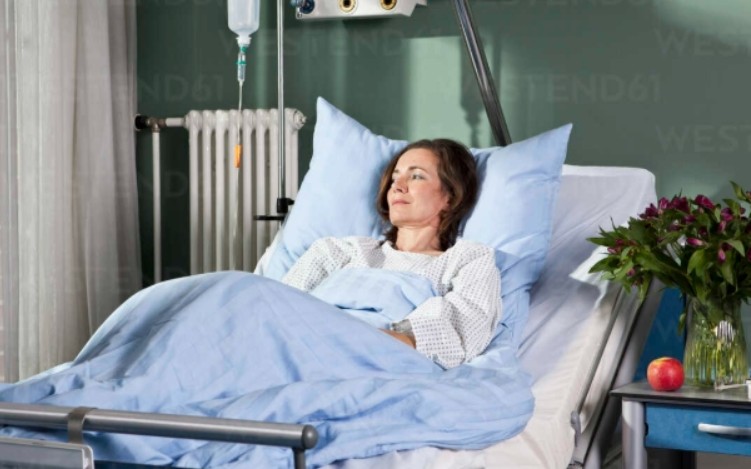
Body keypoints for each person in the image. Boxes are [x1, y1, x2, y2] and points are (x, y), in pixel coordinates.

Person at [283, 139, 502, 369]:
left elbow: (461, 334)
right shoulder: (338, 251)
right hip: (296, 350)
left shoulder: (467, 260)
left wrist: (353, 341)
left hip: (363, 360)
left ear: (450, 196)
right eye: (395, 177)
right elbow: (278, 307)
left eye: (416, 176)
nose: (398, 186)